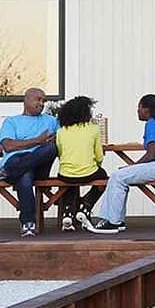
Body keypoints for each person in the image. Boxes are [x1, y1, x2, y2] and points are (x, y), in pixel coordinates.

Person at [79, 94, 155, 234]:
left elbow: (151, 155)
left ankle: (113, 222)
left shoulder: (152, 123)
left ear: (147, 109)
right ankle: (117, 221)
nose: (137, 111)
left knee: (118, 176)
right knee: (120, 176)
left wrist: (132, 167)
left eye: (139, 107)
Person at [0, 88, 58, 237]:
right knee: (25, 175)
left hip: (39, 167)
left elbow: (63, 140)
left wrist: (56, 138)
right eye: (38, 99)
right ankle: (28, 223)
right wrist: (37, 141)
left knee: (50, 148)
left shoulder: (51, 121)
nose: (42, 103)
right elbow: (8, 145)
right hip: (17, 162)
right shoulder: (12, 121)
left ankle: (4, 173)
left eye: (43, 101)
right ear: (26, 101)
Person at [55, 96, 107, 232]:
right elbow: (99, 156)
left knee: (69, 182)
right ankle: (85, 207)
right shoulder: (93, 129)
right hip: (88, 172)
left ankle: (68, 212)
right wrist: (97, 165)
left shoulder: (61, 131)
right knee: (105, 179)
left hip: (65, 173)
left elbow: (60, 154)